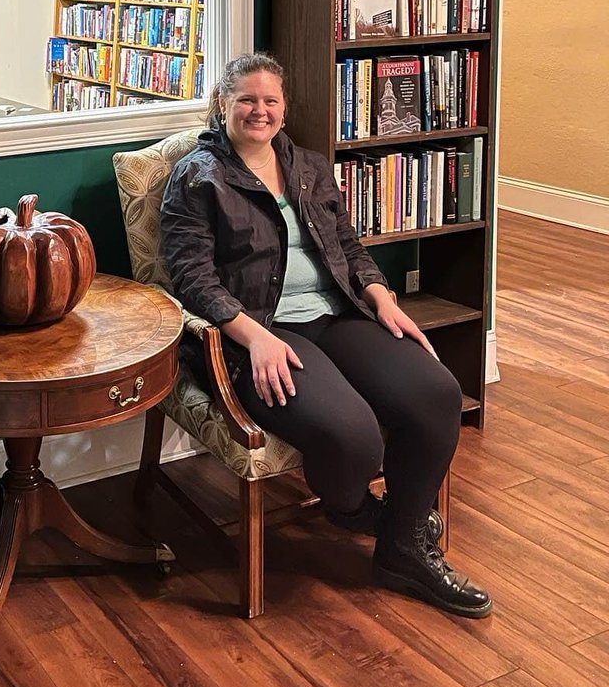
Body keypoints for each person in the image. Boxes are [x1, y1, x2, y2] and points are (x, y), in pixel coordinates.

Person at [160, 52, 492, 617]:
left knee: (437, 393)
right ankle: (358, 511)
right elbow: (192, 278)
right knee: (354, 437)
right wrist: (254, 338)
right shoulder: (198, 177)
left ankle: (403, 549)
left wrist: (382, 298)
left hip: (335, 314)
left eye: (270, 100)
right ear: (222, 104)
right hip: (261, 330)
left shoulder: (309, 166)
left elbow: (349, 245)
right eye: (246, 99)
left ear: (284, 109)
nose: (259, 110)